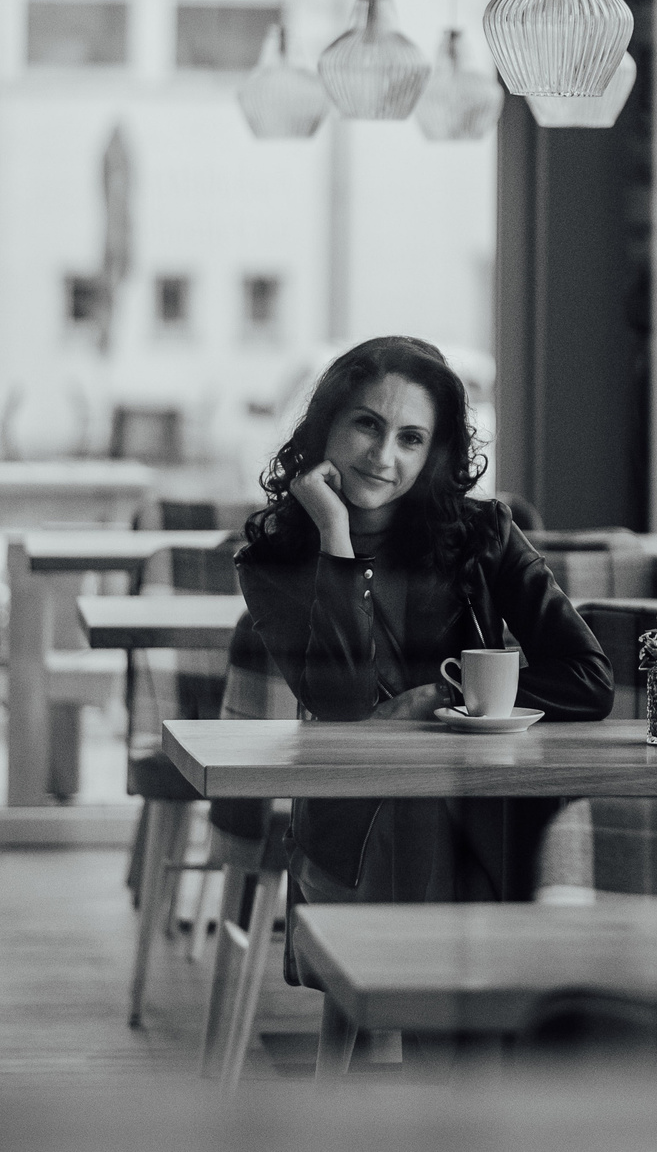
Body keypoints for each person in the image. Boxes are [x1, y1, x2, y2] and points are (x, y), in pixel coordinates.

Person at [236, 335, 611, 906]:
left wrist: (436, 698)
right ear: (325, 426)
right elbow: (343, 707)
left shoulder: (483, 533)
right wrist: (334, 537)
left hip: (485, 809)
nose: (384, 456)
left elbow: (589, 679)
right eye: (366, 425)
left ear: (433, 452)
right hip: (357, 824)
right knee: (409, 822)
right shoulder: (275, 557)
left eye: (411, 438)